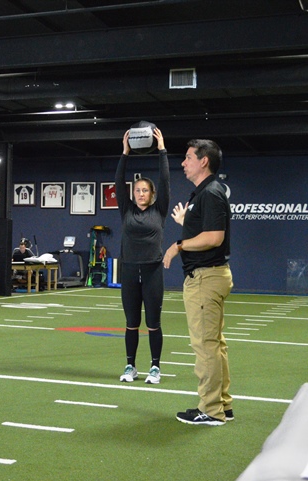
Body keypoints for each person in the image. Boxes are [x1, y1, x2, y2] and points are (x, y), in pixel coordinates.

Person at [163, 138, 233, 426]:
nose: (183, 163)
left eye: (188, 157)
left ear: (204, 161)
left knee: (205, 346)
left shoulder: (211, 193)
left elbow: (213, 238)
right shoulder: (204, 193)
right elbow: (205, 230)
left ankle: (212, 411)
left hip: (205, 278)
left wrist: (178, 245)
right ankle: (221, 405)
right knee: (214, 345)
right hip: (207, 276)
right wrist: (186, 223)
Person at [116, 128, 170, 385]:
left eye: (145, 190)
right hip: (128, 270)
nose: (140, 193)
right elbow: (118, 181)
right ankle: (130, 366)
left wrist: (162, 150)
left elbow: (165, 180)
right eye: (137, 190)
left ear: (152, 194)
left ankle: (155, 368)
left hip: (152, 271)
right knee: (131, 322)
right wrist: (125, 153)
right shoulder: (126, 210)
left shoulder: (159, 211)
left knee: (153, 323)